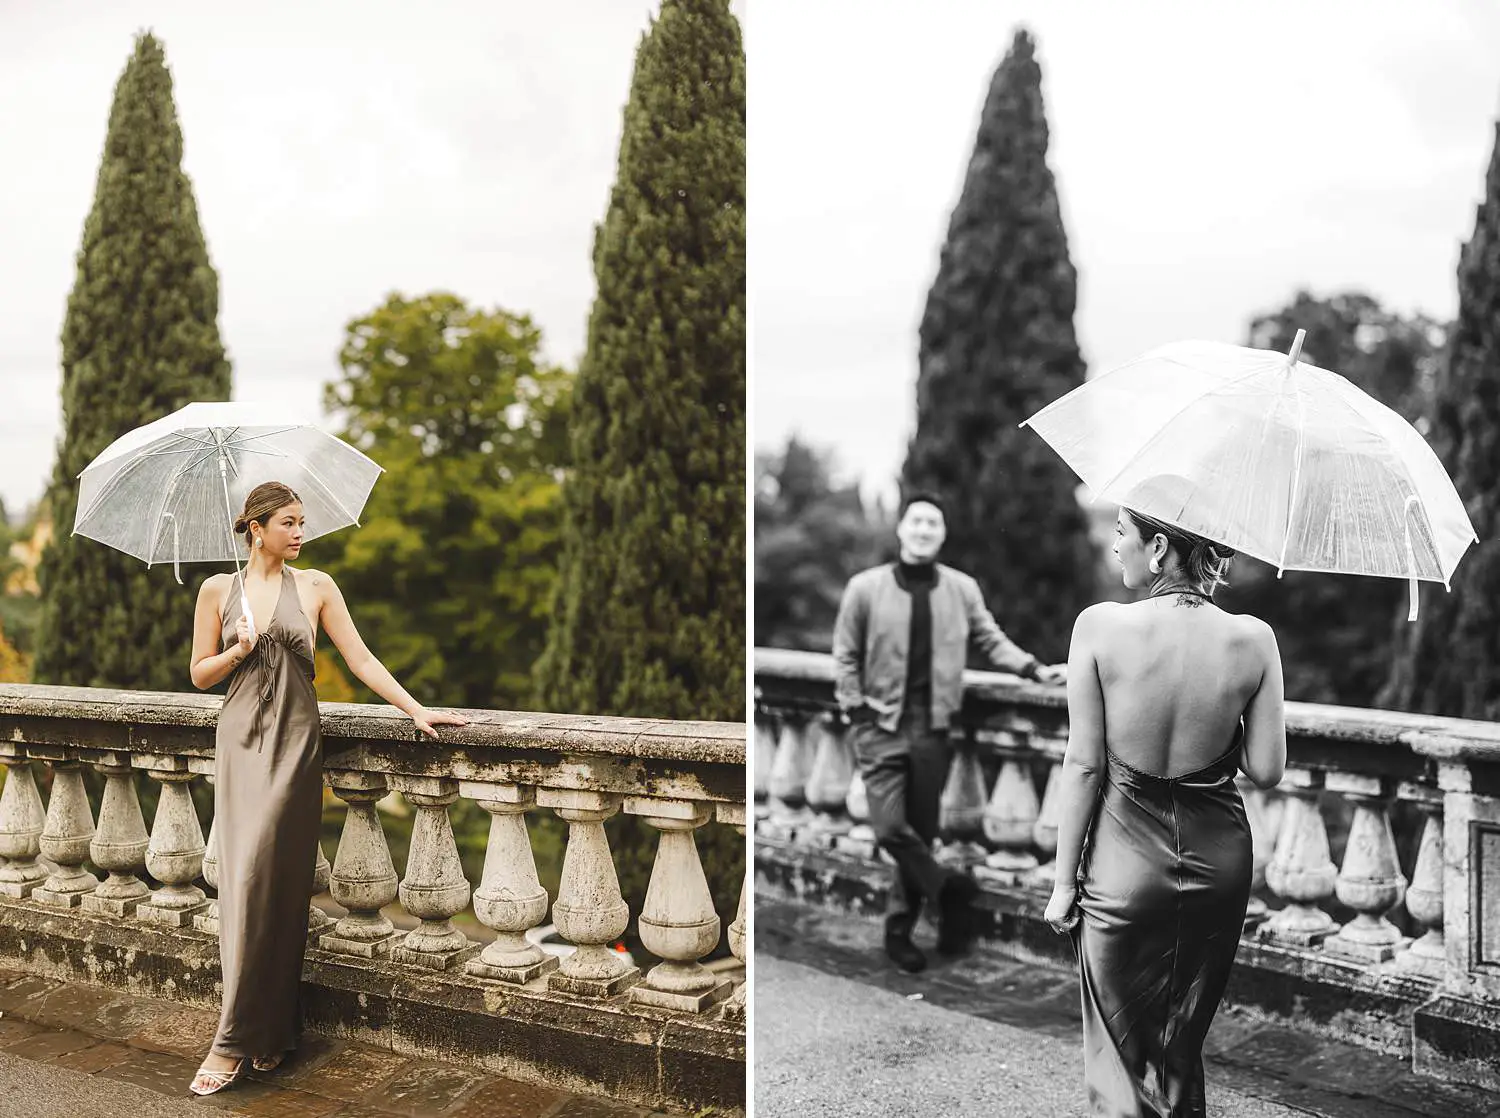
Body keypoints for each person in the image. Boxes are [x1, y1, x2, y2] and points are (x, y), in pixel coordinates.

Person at [186, 482, 469, 1097]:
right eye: (288, 522)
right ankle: (249, 1035)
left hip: (294, 747)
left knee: (278, 887)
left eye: (302, 522)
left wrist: (416, 709)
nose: (299, 532)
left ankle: (258, 1032)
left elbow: (361, 659)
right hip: (238, 744)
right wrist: (237, 649)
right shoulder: (217, 590)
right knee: (242, 884)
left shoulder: (317, 586)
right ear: (256, 529)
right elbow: (199, 674)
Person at [1043, 502, 1286, 1117]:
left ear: (1158, 550)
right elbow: (1267, 769)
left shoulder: (1097, 628)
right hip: (1219, 865)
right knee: (1182, 1046)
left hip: (1124, 870)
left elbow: (1085, 766)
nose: (1114, 546)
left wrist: (1062, 882)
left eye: (1122, 533)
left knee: (1119, 1058)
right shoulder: (1254, 639)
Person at [832, 492, 1066, 974]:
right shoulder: (865, 588)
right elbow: (845, 655)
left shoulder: (961, 589)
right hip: (880, 726)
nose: (922, 530)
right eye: (915, 521)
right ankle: (950, 891)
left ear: (942, 534)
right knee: (889, 828)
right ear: (901, 529)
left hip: (933, 729)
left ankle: (900, 931)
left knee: (918, 833)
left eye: (932, 523)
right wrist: (856, 711)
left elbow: (989, 639)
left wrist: (1033, 669)